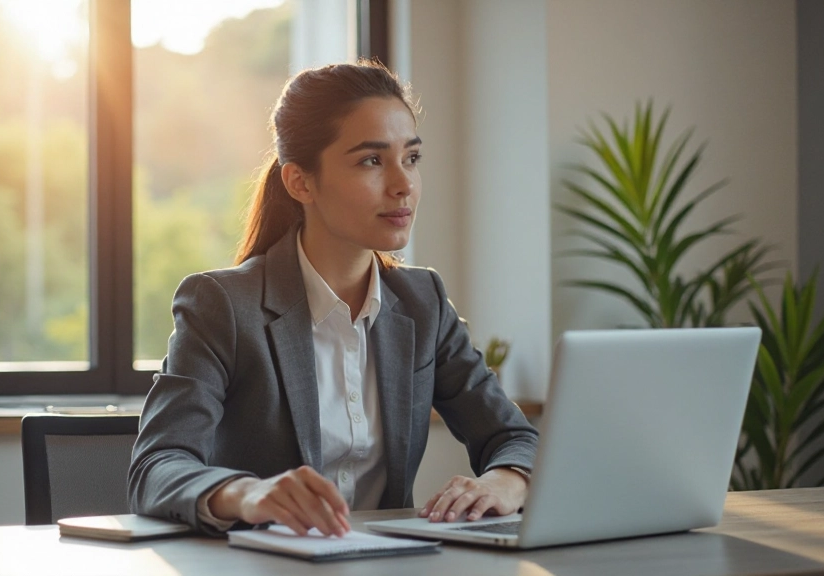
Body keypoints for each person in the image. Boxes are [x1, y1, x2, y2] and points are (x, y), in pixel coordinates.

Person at [128, 60, 539, 538]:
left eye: (411, 158)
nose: (403, 184)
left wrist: (507, 481)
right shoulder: (223, 304)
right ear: (301, 182)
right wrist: (249, 494)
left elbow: (512, 436)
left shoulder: (422, 302)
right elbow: (156, 465)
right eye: (371, 160)